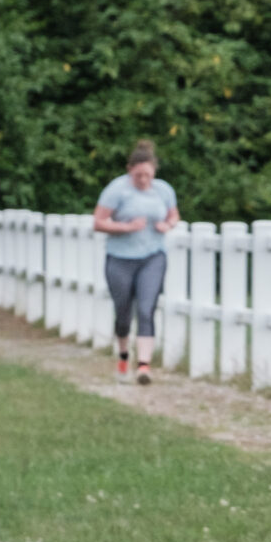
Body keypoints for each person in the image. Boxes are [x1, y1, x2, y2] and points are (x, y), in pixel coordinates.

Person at [93, 140, 180, 383]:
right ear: (130, 169)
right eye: (139, 175)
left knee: (146, 308)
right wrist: (126, 227)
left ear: (154, 171)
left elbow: (174, 214)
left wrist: (168, 224)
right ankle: (123, 355)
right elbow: (98, 222)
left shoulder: (163, 190)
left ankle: (144, 366)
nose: (143, 180)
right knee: (123, 312)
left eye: (148, 175)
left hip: (152, 256)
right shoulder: (117, 190)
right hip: (120, 258)